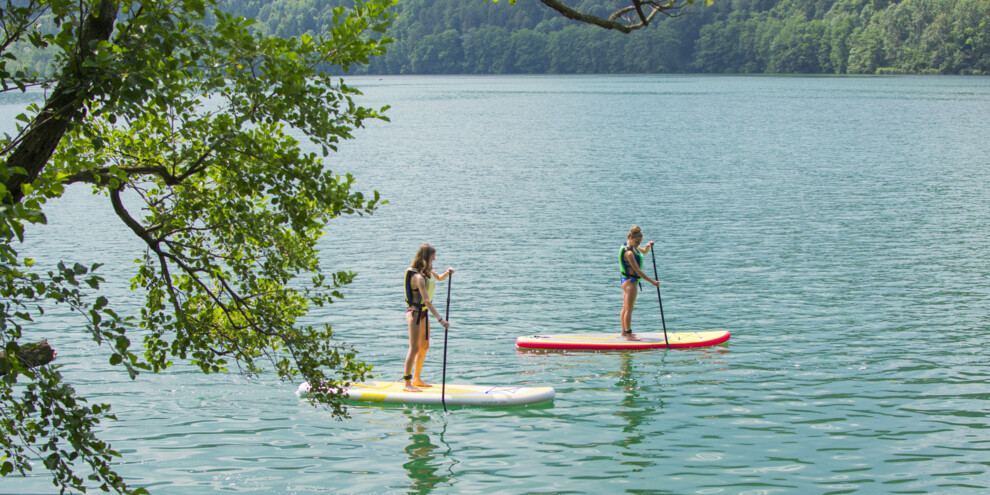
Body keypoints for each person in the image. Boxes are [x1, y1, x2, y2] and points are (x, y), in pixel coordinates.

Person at [403, 244, 453, 392]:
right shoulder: (417, 277)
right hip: (415, 314)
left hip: (424, 314)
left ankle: (417, 379)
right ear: (425, 257)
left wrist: (448, 272)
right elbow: (426, 301)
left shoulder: (428, 271)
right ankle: (407, 383)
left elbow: (439, 278)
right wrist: (440, 319)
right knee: (414, 348)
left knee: (424, 347)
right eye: (432, 257)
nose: (434, 259)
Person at [619, 225, 659, 341]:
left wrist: (647, 246)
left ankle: (624, 332)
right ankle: (629, 335)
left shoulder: (632, 247)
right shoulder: (629, 253)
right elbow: (638, 271)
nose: (638, 244)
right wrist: (653, 282)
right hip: (630, 283)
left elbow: (644, 252)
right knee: (629, 310)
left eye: (640, 243)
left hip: (626, 281)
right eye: (637, 242)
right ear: (631, 238)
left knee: (625, 308)